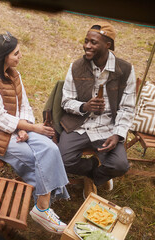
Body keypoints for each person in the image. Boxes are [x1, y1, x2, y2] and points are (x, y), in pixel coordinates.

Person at [0, 32, 70, 234]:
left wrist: (24, 127)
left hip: (17, 127)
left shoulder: (14, 75)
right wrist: (30, 128)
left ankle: (41, 208)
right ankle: (44, 206)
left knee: (50, 149)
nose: (20, 56)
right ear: (3, 56)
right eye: (16, 53)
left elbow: (23, 104)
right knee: (36, 160)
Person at [58, 21, 136, 199]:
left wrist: (117, 134)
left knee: (120, 166)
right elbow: (66, 101)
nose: (87, 46)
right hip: (79, 125)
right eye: (86, 41)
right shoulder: (76, 66)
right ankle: (93, 169)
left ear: (108, 45)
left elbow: (127, 107)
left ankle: (95, 177)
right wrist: (84, 106)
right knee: (61, 160)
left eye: (93, 42)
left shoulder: (125, 70)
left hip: (107, 128)